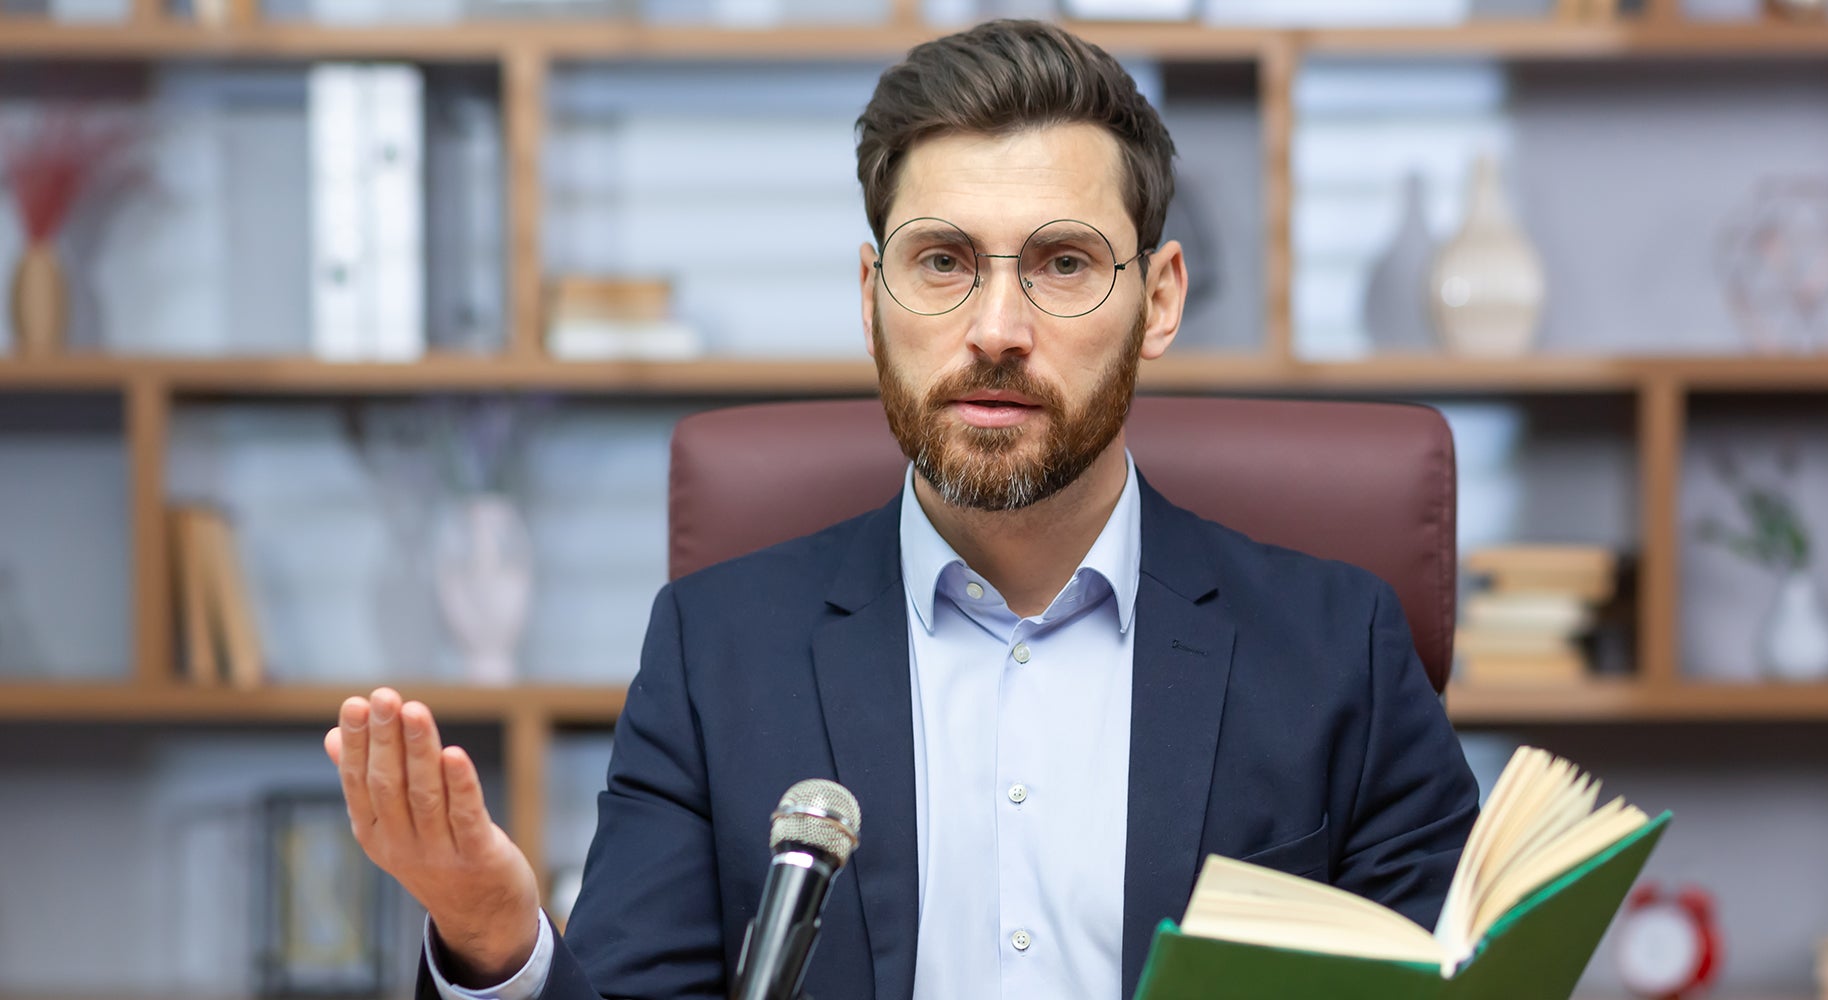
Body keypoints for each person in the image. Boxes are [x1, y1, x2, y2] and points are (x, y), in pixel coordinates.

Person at [324, 18, 1479, 1000]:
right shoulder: (716, 653)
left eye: (1064, 263)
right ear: (870, 298)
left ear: (1159, 299)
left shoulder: (1343, 652)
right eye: (941, 262)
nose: (995, 327)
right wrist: (495, 939)